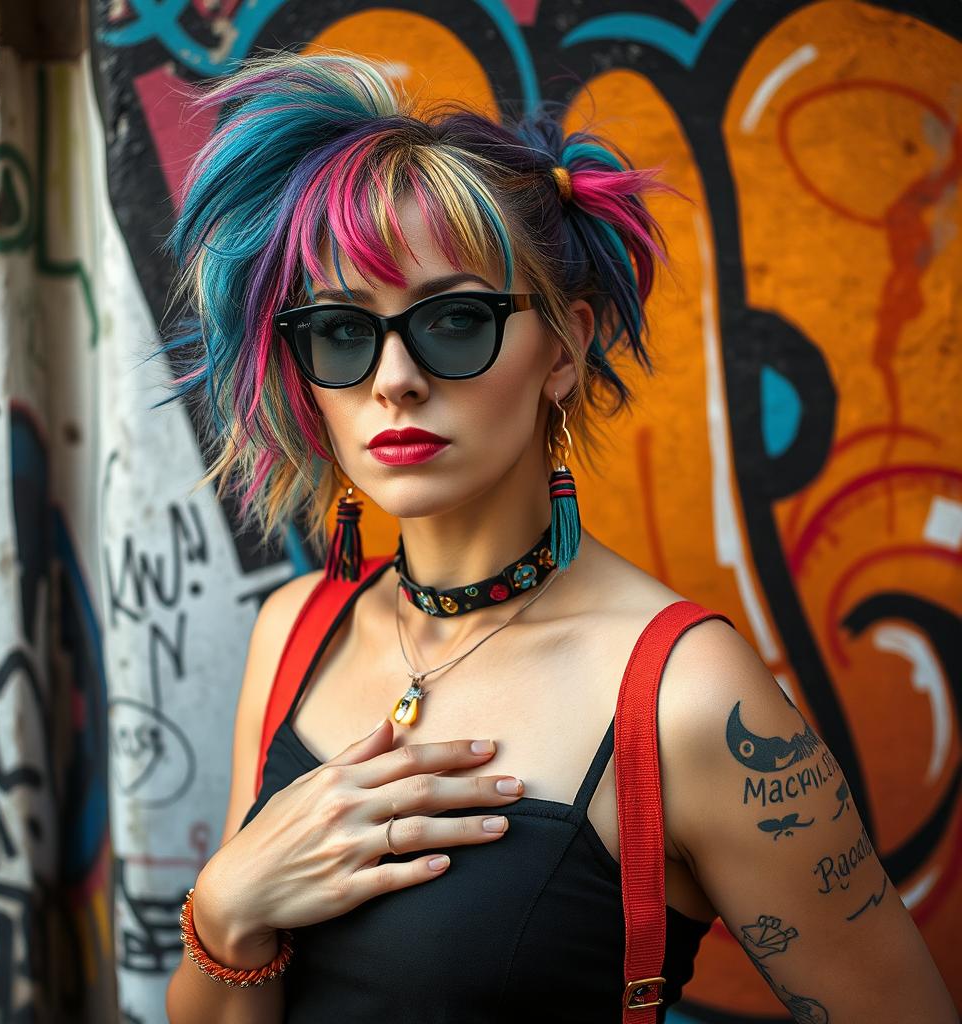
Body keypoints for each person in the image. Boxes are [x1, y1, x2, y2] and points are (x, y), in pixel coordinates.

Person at [162, 48, 955, 1023]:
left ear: (565, 349)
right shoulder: (294, 631)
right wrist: (229, 910)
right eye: (340, 330)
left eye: (455, 322)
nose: (394, 378)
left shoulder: (685, 698)